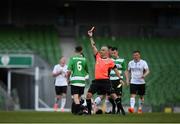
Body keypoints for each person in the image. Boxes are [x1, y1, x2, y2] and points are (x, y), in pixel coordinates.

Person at [86, 27, 125, 115]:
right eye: (101, 50)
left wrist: (120, 79)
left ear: (107, 52)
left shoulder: (110, 61)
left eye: (103, 50)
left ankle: (121, 110)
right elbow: (93, 46)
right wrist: (90, 36)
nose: (101, 51)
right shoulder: (98, 57)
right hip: (96, 81)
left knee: (114, 96)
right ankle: (89, 112)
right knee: (88, 95)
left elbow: (116, 70)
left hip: (106, 81)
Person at [105, 47, 127, 114]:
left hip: (118, 80)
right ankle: (114, 105)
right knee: (109, 96)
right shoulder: (109, 60)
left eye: (114, 53)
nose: (113, 54)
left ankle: (118, 110)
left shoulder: (122, 60)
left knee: (118, 95)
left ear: (117, 52)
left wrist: (127, 79)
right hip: (110, 80)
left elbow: (125, 70)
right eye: (112, 53)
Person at [67, 46, 89, 115]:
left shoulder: (72, 59)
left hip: (75, 80)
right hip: (82, 80)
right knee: (79, 97)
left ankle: (83, 109)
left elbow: (69, 71)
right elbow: (86, 71)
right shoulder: (84, 59)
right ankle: (77, 111)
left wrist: (68, 79)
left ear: (75, 51)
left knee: (75, 97)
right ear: (81, 51)